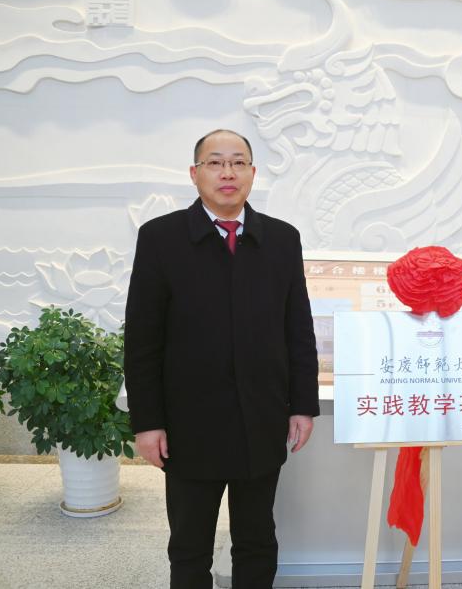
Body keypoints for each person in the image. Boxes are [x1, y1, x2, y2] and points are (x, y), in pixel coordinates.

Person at [124, 129, 319, 589]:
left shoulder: (282, 239)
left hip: (261, 416)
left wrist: (302, 405)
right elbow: (143, 339)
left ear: (253, 172)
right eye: (215, 162)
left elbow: (298, 329)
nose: (227, 172)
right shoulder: (161, 238)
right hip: (189, 422)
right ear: (195, 174)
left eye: (238, 162)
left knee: (257, 538)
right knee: (190, 544)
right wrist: (147, 422)